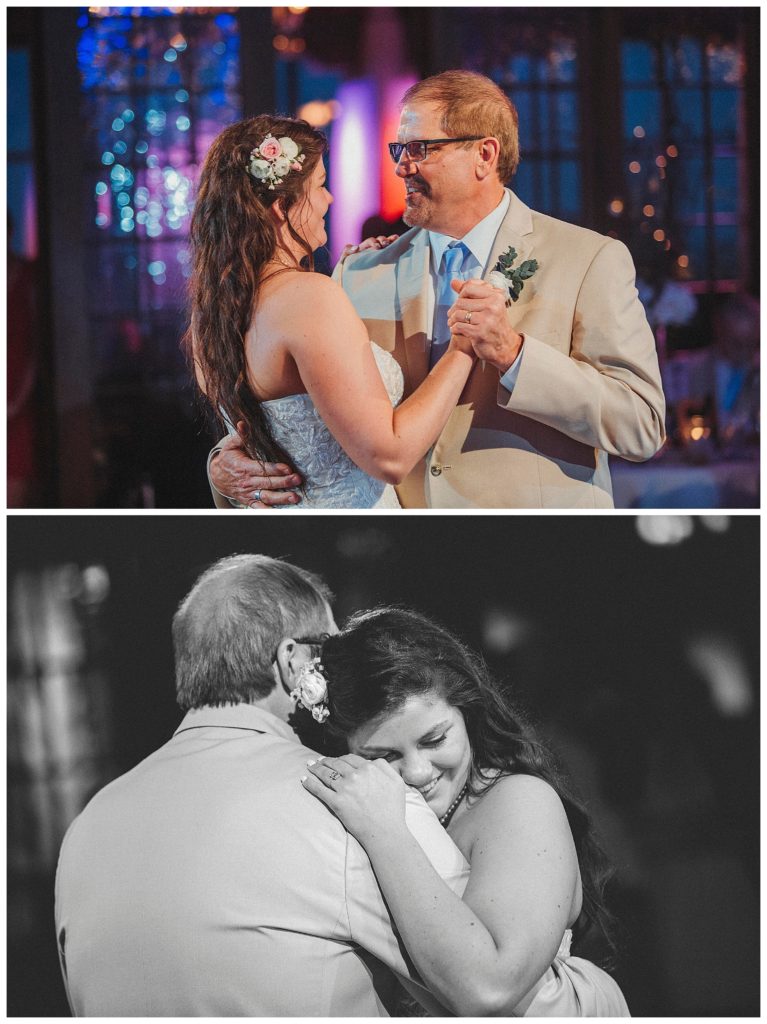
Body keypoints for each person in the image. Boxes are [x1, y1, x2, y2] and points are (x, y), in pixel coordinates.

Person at [209, 69, 665, 509]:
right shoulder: (360, 272)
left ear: (485, 155)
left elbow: (641, 426)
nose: (401, 167)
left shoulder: (588, 259)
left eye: (420, 148)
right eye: (399, 149)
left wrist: (513, 355)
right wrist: (224, 467)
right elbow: (306, 410)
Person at [54, 556, 468, 1016]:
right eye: (330, 653)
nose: (340, 674)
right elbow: (492, 990)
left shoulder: (84, 830)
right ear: (293, 662)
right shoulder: (353, 800)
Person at [298, 607, 630, 1016]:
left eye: (434, 740)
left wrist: (385, 832)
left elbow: (488, 989)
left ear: (467, 712)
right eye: (383, 756)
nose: (417, 772)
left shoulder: (519, 801)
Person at [184, 115, 476, 508]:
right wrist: (463, 347)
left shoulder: (209, 315)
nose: (329, 199)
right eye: (321, 185)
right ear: (281, 207)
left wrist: (363, 275)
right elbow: (389, 457)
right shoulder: (308, 298)